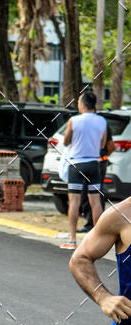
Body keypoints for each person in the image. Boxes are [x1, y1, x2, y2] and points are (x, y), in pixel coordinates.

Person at [60, 90, 107, 250]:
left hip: (76, 165)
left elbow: (66, 141)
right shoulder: (102, 121)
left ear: (82, 104)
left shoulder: (74, 120)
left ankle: (72, 240)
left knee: (74, 202)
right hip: (94, 164)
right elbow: (102, 144)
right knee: (95, 202)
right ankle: (97, 239)